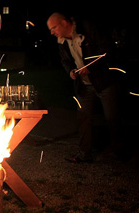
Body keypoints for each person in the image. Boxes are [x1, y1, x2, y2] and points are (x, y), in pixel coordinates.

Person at [47, 12, 123, 163]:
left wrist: (91, 67)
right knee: (83, 118)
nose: (52, 32)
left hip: (104, 82)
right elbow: (65, 61)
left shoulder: (88, 28)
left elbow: (106, 50)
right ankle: (84, 154)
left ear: (63, 23)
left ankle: (118, 153)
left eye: (53, 27)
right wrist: (70, 71)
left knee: (112, 118)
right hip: (84, 85)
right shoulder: (61, 41)